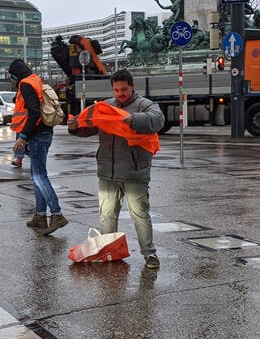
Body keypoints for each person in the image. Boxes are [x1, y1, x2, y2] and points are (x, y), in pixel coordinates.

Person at [68, 69, 164, 269]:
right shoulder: (106, 106)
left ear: (132, 86)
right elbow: (90, 128)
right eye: (116, 90)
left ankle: (149, 254)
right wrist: (75, 127)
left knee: (140, 214)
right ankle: (109, 251)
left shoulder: (146, 105)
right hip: (107, 172)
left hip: (134, 172)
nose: (120, 93)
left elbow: (157, 121)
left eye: (124, 89)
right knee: (107, 215)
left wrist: (131, 119)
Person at [9, 58, 68, 235]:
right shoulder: (35, 80)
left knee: (39, 176)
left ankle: (56, 214)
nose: (12, 81)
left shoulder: (26, 85)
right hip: (42, 134)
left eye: (11, 78)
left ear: (14, 75)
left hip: (37, 135)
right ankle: (40, 216)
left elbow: (34, 112)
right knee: (36, 177)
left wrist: (23, 136)